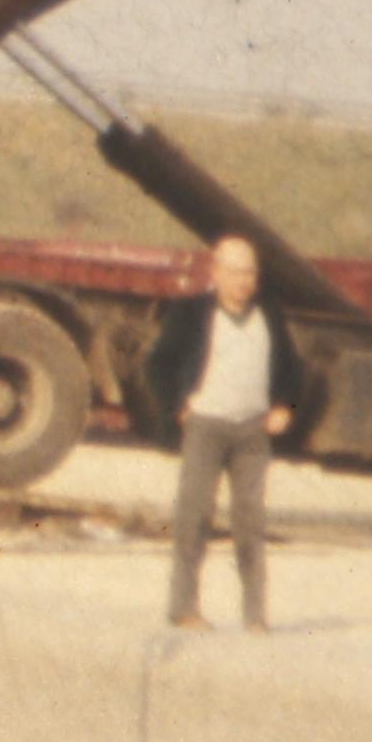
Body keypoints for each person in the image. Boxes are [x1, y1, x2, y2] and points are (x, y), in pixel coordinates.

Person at [135, 232, 322, 629]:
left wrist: (284, 406)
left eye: (250, 273)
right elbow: (157, 365)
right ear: (216, 272)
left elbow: (293, 368)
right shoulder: (191, 313)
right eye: (235, 272)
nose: (243, 281)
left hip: (251, 432)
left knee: (250, 522)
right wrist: (178, 406)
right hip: (206, 427)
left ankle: (255, 615)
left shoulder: (268, 314)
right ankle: (184, 608)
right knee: (194, 517)